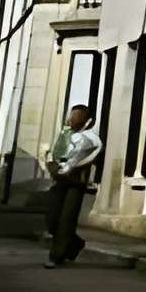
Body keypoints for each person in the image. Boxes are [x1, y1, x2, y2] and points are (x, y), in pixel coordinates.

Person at [45, 105, 100, 267]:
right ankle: (75, 243)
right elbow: (55, 154)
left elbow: (87, 158)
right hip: (60, 180)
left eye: (76, 117)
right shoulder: (65, 135)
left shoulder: (90, 138)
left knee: (66, 219)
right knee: (52, 219)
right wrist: (54, 168)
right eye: (72, 116)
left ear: (84, 120)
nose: (72, 119)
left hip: (76, 183)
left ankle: (56, 257)